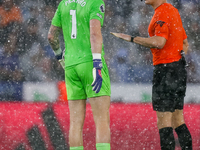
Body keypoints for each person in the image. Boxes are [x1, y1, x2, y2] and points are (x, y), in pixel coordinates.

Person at [111, 0, 192, 150]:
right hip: (178, 69)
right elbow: (185, 43)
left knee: (164, 121)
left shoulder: (162, 12)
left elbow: (159, 42)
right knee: (178, 119)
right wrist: (178, 64)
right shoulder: (173, 11)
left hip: (165, 70)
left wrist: (132, 38)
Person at [47, 0, 111, 150]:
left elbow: (51, 36)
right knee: (101, 120)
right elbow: (94, 35)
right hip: (90, 61)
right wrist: (97, 64)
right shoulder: (95, 2)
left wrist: (59, 57)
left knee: (75, 123)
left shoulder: (64, 4)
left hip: (70, 65)